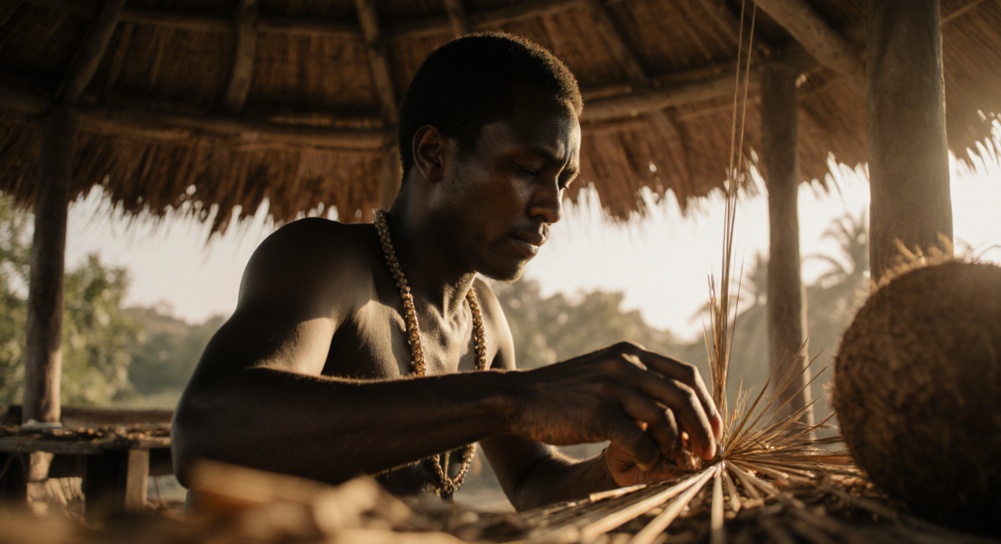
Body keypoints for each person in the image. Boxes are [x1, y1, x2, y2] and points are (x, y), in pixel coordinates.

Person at [171, 32, 722, 510]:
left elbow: (531, 482)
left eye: (563, 181)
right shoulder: (330, 261)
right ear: (434, 154)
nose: (552, 207)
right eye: (528, 168)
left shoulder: (484, 321)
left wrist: (615, 471)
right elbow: (207, 431)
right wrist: (514, 398)